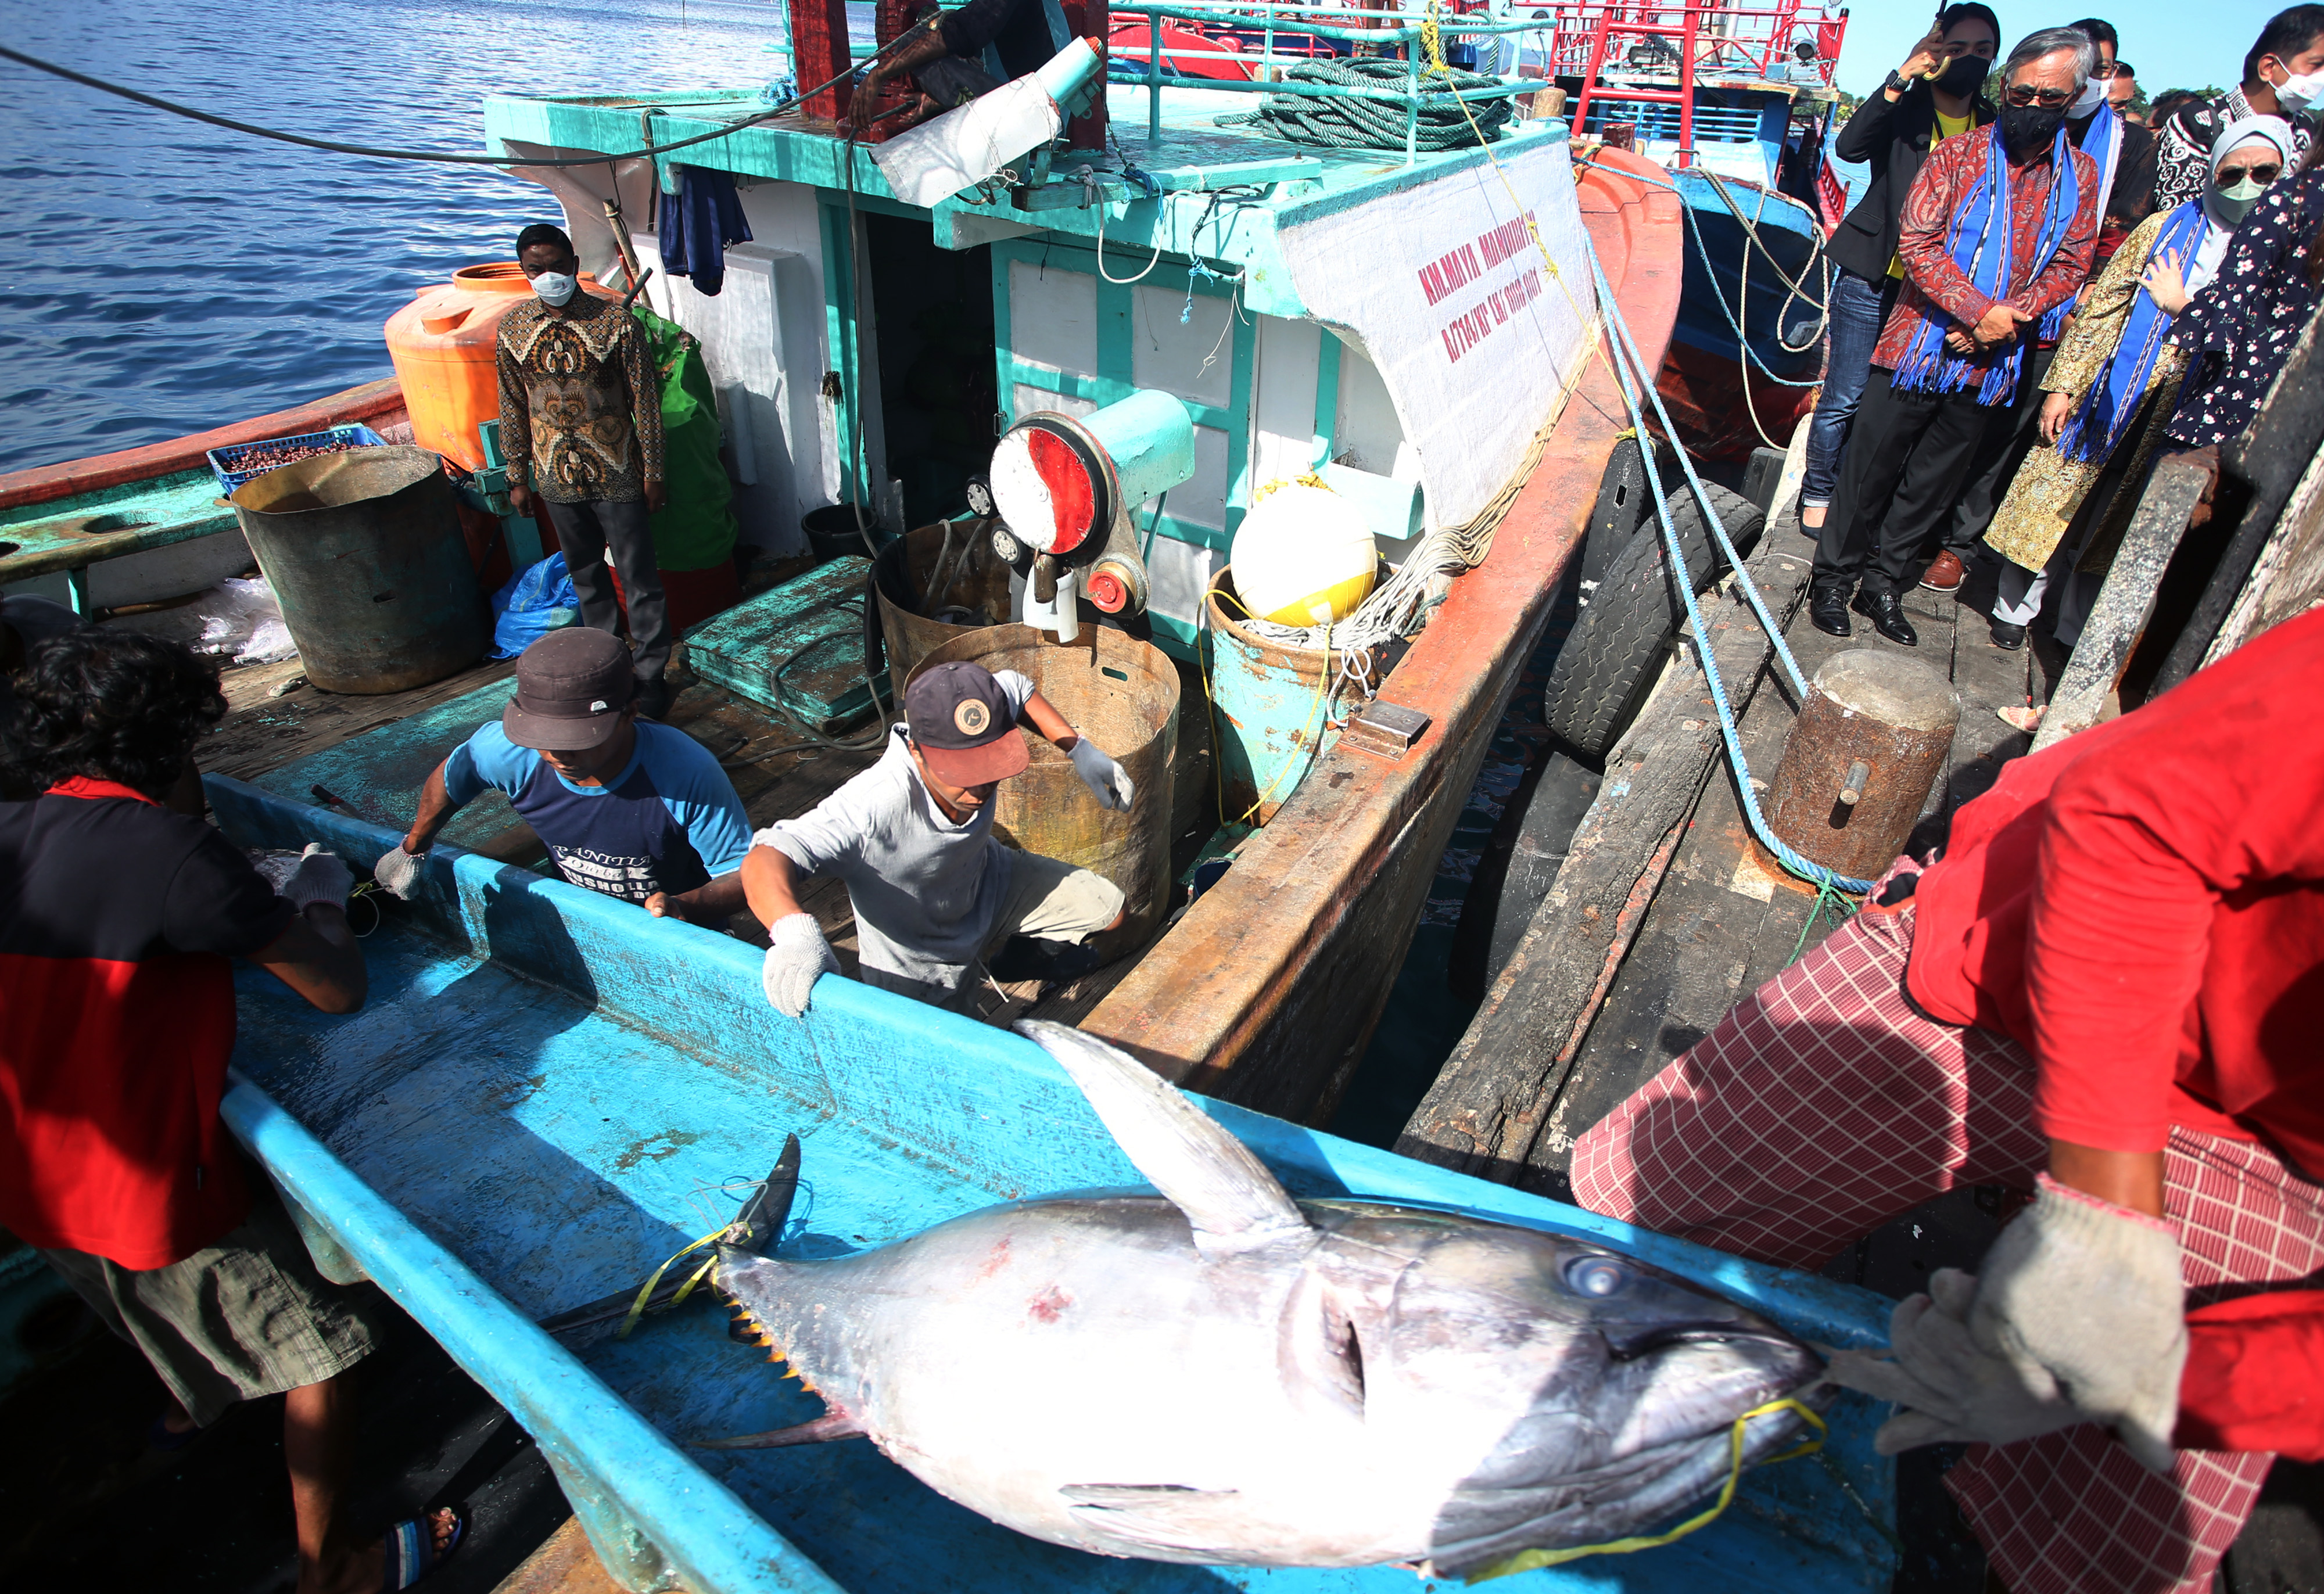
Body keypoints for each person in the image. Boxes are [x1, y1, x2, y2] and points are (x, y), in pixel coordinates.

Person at [1570, 604, 2324, 1594]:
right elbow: (2131, 819)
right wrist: (2105, 1204)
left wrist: (2176, 1377)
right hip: (2017, 949)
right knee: (1628, 1240)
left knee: (2127, 1537)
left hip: (2268, 1140)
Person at [0, 631, 462, 1593]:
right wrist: (321, 896)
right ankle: (333, 1566)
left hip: (28, 1173)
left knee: (148, 1305)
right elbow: (335, 989)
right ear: (176, 743)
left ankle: (190, 1406)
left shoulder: (18, 827)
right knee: (325, 1349)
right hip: (143, 1187)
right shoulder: (173, 850)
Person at [1808, 27, 2101, 647]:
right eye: (2022, 93)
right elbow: (1917, 242)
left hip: (1993, 359)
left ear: (2075, 97)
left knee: (1932, 482)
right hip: (1917, 345)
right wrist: (1975, 311)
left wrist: (2005, 319)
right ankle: (1832, 579)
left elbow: (2073, 262)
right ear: (2005, 86)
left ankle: (1884, 583)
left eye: (2051, 97)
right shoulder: (1956, 155)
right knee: (1869, 468)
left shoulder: (2081, 174)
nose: (2033, 106)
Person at [1983, 118, 2297, 650]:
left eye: (2264, 173)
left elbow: (2266, 344)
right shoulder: (2164, 228)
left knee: (2121, 522)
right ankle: (2014, 609)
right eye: (2232, 173)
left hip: (2185, 410)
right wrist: (2063, 385)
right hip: (2107, 391)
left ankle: (2077, 630)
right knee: (2052, 501)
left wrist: (2185, 307)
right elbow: (2104, 308)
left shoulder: (2285, 259)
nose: (2247, 186)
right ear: (2212, 173)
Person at [1916, 15, 2158, 600]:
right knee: (1946, 428)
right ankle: (1915, 532)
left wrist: (2049, 310)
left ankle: (1960, 545)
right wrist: (1982, 313)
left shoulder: (2126, 146)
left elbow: (2115, 236)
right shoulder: (2005, 128)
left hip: (2059, 317)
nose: (2047, 97)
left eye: (2097, 70)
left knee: (2008, 438)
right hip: (1977, 308)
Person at [745, 659, 1132, 1014]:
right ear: (917, 751)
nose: (980, 788)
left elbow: (1016, 687)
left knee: (1110, 911)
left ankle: (1012, 960)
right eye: (964, 772)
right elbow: (768, 855)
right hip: (918, 955)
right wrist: (794, 933)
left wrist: (1079, 749)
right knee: (950, 1044)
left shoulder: (981, 712)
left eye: (990, 764)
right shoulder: (872, 806)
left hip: (987, 880)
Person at [372, 628, 752, 926]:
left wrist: (684, 906)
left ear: (629, 713)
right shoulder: (506, 751)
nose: (557, 755)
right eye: (543, 739)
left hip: (673, 923)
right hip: (580, 908)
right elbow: (453, 777)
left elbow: (741, 874)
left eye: (577, 740)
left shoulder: (685, 771)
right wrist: (414, 847)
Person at [1796, 4, 2000, 537]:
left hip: (1936, 291)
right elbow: (1849, 146)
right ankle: (1818, 492)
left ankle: (1859, 500)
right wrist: (1902, 74)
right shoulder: (1906, 105)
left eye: (1983, 51)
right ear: (1937, 51)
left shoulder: (1992, 123)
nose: (1970, 59)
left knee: (1890, 404)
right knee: (1846, 395)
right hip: (1875, 276)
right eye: (1957, 49)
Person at [498, 222, 673, 720]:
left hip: (617, 470)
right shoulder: (512, 329)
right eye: (537, 269)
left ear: (575, 265)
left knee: (639, 578)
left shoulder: (617, 324)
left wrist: (654, 472)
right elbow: (511, 405)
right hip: (555, 474)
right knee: (587, 577)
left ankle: (650, 675)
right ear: (524, 272)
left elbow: (646, 403)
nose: (548, 276)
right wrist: (516, 476)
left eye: (557, 266)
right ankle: (605, 670)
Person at [2157, 143, 2324, 520]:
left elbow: (2226, 309)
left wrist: (2177, 304)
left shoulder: (2293, 199)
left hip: (2229, 425)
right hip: (2304, 442)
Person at [2151, 6, 2323, 210]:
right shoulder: (2199, 122)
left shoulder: (2306, 130)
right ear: (2268, 68)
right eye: (2316, 65)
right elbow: (2178, 208)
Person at [848, 0, 1076, 134]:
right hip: (1035, 114)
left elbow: (958, 36)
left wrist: (879, 74)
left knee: (913, 41)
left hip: (1035, 122)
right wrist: (936, 100)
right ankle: (944, 104)